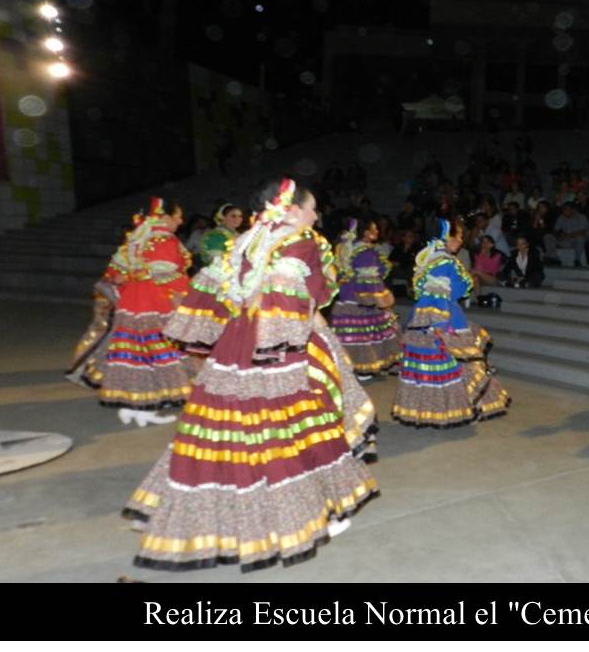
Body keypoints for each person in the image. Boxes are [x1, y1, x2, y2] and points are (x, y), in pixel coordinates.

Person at [126, 178, 379, 571]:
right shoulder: (300, 241)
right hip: (283, 343)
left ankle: (233, 520)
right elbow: (290, 299)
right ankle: (309, 515)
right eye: (311, 207)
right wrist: (288, 344)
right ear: (292, 209)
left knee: (234, 431)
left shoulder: (247, 240)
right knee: (294, 427)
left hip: (237, 343)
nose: (316, 214)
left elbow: (219, 292)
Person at [392, 218, 511, 427]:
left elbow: (423, 293)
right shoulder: (446, 262)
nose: (461, 240)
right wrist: (440, 325)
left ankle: (429, 410)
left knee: (427, 367)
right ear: (446, 237)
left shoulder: (426, 259)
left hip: (422, 317)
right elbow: (453, 291)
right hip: (444, 317)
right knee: (457, 363)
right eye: (457, 236)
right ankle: (463, 407)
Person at [97, 197, 192, 427]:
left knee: (135, 353)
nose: (180, 221)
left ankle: (134, 405)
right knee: (158, 353)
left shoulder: (136, 237)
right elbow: (168, 273)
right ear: (166, 217)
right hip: (156, 303)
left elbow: (114, 272)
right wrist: (188, 294)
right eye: (177, 216)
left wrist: (130, 276)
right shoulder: (167, 240)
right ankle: (144, 406)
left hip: (131, 303)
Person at [331, 217, 402, 380]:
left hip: (347, 296)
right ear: (365, 233)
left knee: (354, 334)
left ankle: (354, 367)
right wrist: (380, 300)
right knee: (368, 333)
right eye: (373, 229)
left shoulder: (350, 248)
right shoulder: (366, 252)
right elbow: (369, 280)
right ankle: (364, 369)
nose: (377, 231)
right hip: (362, 298)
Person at [553, 201, 589, 266]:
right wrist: (558, 235)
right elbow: (555, 230)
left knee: (580, 238)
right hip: (566, 240)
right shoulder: (561, 217)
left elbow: (581, 232)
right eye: (563, 209)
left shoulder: (581, 217)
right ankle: (554, 258)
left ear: (573, 210)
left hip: (577, 240)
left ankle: (577, 259)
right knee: (548, 237)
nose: (564, 211)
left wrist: (566, 235)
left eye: (566, 209)